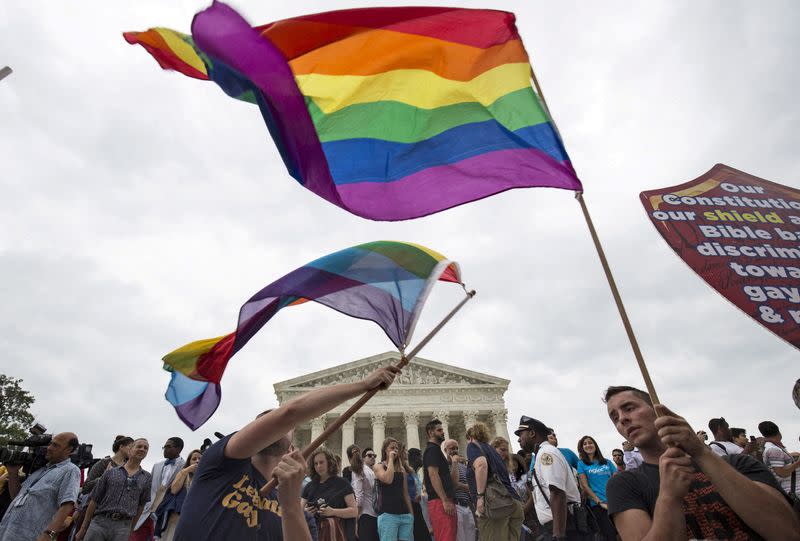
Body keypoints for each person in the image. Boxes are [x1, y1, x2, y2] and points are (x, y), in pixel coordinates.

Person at [174, 364, 398, 541]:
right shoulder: (220, 464)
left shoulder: (299, 512)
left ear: (292, 449)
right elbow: (289, 413)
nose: (273, 425)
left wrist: (291, 504)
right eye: (266, 423)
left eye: (281, 427)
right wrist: (363, 385)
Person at [603, 385, 800, 540]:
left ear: (658, 409)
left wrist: (701, 453)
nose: (622, 419)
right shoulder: (624, 485)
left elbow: (788, 533)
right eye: (614, 418)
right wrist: (669, 497)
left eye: (629, 408)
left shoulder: (738, 463)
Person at [0, 432, 81, 541]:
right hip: (6, 531)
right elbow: (16, 496)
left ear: (69, 450)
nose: (49, 448)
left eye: (55, 445)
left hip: (30, 537)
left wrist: (48, 534)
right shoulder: (40, 470)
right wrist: (13, 473)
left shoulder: (71, 470)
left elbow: (68, 503)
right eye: (50, 444)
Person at [516, 417, 584, 541]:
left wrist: (558, 535)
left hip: (562, 526)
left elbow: (557, 492)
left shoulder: (546, 454)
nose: (518, 439)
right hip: (556, 525)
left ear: (532, 433)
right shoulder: (541, 454)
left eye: (521, 435)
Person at [76, 438, 152, 541]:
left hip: (123, 527)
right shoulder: (110, 472)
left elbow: (141, 506)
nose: (142, 449)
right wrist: (84, 528)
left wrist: (130, 531)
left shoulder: (146, 478)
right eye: (139, 446)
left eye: (145, 448)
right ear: (130, 450)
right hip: (100, 523)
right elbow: (94, 499)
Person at [466, 422, 524, 541]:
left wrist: (480, 497)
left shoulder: (473, 445)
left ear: (470, 437)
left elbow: (481, 465)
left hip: (495, 505)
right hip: (514, 503)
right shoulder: (494, 452)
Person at [131, 437, 185, 540]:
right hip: (146, 512)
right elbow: (149, 488)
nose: (165, 449)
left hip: (165, 515)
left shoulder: (185, 467)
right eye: (164, 446)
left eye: (168, 447)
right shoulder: (157, 466)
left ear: (178, 449)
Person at [302, 448, 358, 541]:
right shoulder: (309, 486)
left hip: (338, 534)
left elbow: (354, 511)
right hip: (314, 534)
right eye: (316, 463)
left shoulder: (342, 483)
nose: (319, 466)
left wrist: (333, 511)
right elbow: (299, 510)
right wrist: (306, 512)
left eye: (321, 462)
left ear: (329, 462)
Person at [154, 449, 202, 541]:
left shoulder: (207, 478)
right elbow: (174, 490)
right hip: (177, 519)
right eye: (194, 459)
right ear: (189, 462)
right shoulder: (183, 473)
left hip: (194, 520)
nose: (197, 461)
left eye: (200, 459)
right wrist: (186, 470)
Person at [575, 436, 617, 541]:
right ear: (582, 448)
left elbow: (617, 479)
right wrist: (599, 502)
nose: (588, 445)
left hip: (615, 502)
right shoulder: (581, 464)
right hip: (598, 505)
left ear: (595, 445)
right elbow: (585, 485)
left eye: (590, 442)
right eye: (585, 444)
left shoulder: (607, 462)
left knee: (623, 532)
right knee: (610, 535)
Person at [422, 419, 457, 541]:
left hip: (443, 500)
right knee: (445, 536)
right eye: (439, 430)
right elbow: (433, 475)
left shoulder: (436, 450)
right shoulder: (432, 450)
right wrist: (444, 500)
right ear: (431, 432)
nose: (443, 432)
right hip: (439, 501)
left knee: (449, 536)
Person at [372, 438, 413, 541]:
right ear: (385, 450)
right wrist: (390, 459)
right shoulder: (378, 466)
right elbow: (388, 479)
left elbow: (405, 492)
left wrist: (411, 514)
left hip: (404, 514)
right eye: (392, 448)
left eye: (396, 448)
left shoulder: (401, 469)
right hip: (387, 514)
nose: (394, 450)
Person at [443, 439, 476, 541]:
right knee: (459, 537)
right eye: (452, 448)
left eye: (456, 448)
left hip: (467, 505)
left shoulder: (463, 466)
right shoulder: (444, 466)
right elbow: (453, 484)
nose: (455, 450)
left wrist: (461, 485)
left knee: (471, 537)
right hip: (455, 505)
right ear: (445, 450)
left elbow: (471, 485)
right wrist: (454, 463)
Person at [759, 420, 800, 498]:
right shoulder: (773, 450)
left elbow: (779, 462)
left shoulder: (773, 448)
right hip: (795, 490)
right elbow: (781, 472)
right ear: (778, 431)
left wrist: (791, 455)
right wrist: (798, 463)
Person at [347, 444, 378, 541]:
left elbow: (359, 498)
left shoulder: (357, 470)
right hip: (374, 513)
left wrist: (356, 520)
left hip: (364, 514)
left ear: (349, 458)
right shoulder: (370, 471)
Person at [406, 448, 432, 541]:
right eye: (420, 456)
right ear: (415, 458)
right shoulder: (408, 473)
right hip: (411, 509)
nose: (422, 459)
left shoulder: (417, 474)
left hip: (419, 508)